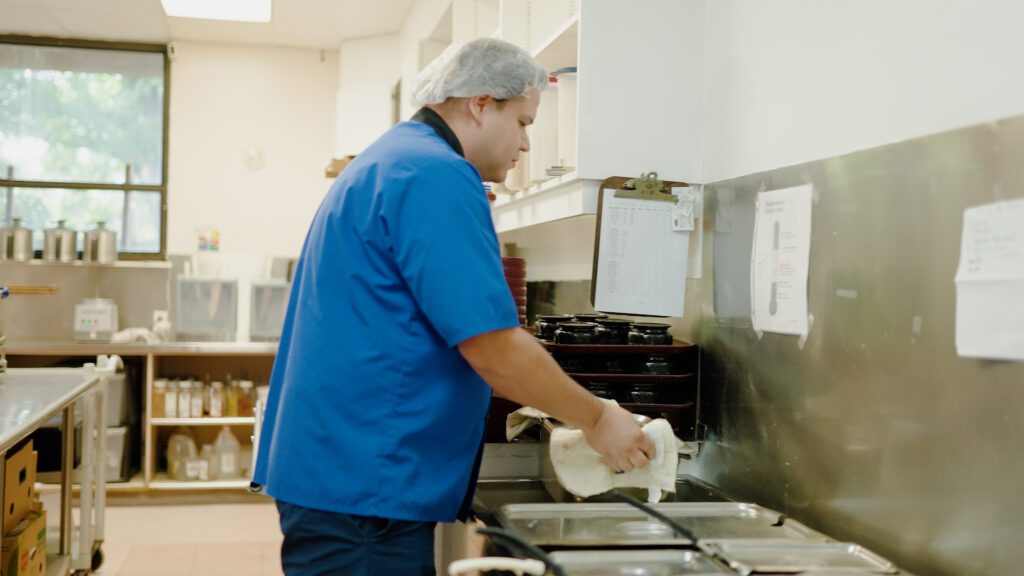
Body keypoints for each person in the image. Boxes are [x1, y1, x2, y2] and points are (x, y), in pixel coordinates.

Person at [252, 38, 654, 575]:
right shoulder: (434, 174)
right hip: (365, 489)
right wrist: (599, 418)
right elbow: (493, 347)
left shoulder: (396, 159)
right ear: (481, 104)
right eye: (524, 122)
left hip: (346, 471)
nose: (527, 144)